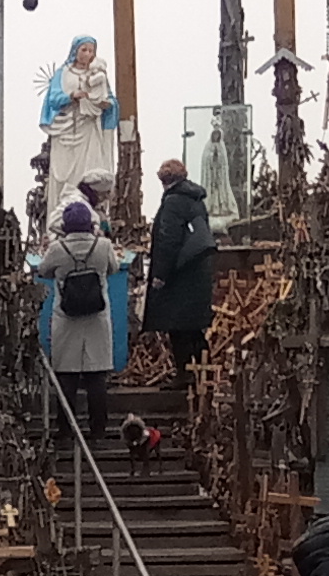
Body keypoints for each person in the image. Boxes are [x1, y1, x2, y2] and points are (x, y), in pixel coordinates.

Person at [37, 198, 127, 432]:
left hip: (66, 318)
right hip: (97, 317)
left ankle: (66, 428)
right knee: (96, 376)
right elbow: (114, 268)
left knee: (67, 376)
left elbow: (43, 270)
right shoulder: (103, 246)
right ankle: (98, 428)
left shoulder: (58, 249)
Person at [141, 156, 216, 385]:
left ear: (165, 180)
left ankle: (184, 375)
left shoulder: (173, 202)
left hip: (178, 278)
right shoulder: (196, 200)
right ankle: (205, 372)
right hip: (197, 274)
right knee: (194, 329)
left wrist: (160, 276)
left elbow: (168, 241)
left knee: (178, 327)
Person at [37, 37, 118, 218]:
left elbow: (110, 98)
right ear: (75, 51)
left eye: (91, 51)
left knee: (89, 174)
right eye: (84, 50)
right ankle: (60, 218)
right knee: (62, 176)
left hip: (89, 130)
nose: (87, 54)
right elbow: (53, 98)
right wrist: (72, 95)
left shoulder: (99, 74)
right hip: (65, 131)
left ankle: (91, 218)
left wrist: (107, 104)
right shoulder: (63, 73)